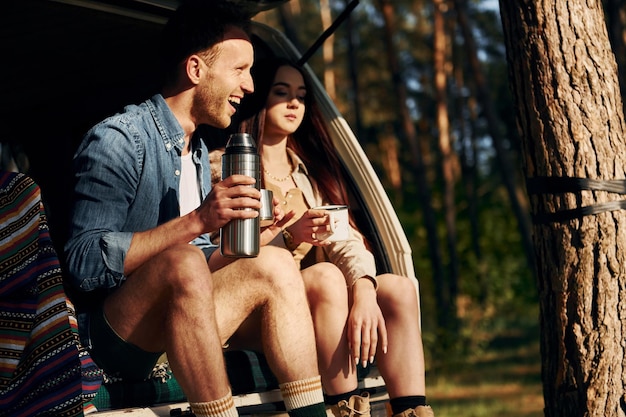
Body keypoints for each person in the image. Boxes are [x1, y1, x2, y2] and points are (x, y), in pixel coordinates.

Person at [63, 3, 328, 417]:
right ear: (195, 70)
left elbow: (202, 257)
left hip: (181, 319)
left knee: (275, 263)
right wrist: (197, 221)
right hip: (115, 334)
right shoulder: (119, 138)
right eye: (240, 69)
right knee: (183, 260)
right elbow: (82, 263)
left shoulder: (200, 151)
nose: (251, 85)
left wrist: (245, 241)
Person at [232, 57, 435, 417]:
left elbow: (345, 241)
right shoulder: (228, 164)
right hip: (258, 307)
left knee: (399, 289)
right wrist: (289, 234)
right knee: (327, 277)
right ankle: (346, 409)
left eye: (301, 95)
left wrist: (365, 289)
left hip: (314, 302)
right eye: (282, 93)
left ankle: (410, 411)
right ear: (259, 96)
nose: (294, 103)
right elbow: (240, 255)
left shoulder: (308, 178)